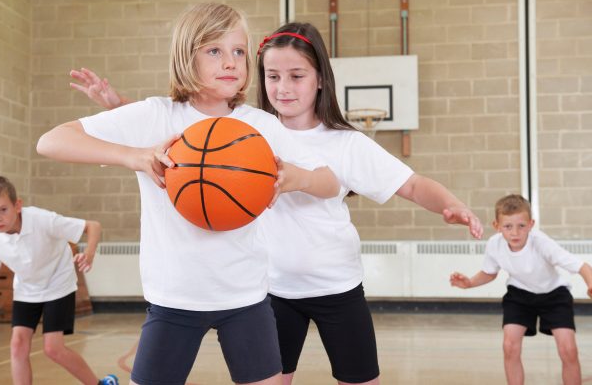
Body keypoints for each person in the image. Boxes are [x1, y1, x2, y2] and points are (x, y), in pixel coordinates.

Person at [69, 22, 483, 385]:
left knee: (360, 378)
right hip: (272, 289)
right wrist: (122, 111)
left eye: (296, 76)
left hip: (336, 285)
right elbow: (188, 144)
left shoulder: (338, 143)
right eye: (273, 76)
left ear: (321, 79)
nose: (283, 88)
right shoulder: (246, 130)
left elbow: (409, 185)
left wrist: (451, 204)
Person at [37, 3, 340, 385]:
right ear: (186, 56)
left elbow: (331, 182)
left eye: (239, 52)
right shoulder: (155, 116)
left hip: (245, 297)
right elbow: (51, 141)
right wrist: (134, 156)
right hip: (174, 299)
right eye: (214, 50)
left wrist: (298, 178)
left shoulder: (261, 125)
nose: (230, 62)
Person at [450, 194, 592, 385]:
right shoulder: (494, 244)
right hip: (519, 295)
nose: (515, 233)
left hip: (554, 295)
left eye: (521, 226)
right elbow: (489, 272)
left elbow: (582, 266)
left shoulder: (541, 243)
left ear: (531, 224)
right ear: (497, 226)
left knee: (568, 350)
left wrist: (591, 283)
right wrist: (469, 283)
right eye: (508, 226)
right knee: (509, 346)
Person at [0, 176, 118, 385]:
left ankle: (100, 384)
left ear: (18, 205)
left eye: (3, 210)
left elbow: (92, 226)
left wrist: (89, 253)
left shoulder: (43, 220)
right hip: (27, 289)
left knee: (53, 348)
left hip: (58, 284)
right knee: (18, 346)